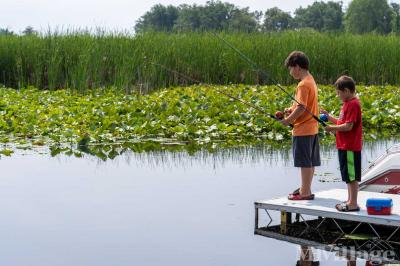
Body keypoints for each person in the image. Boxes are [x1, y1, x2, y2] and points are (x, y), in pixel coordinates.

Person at [281, 51, 321, 201]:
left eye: (290, 69)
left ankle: (304, 193)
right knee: (309, 161)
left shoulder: (303, 85)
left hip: (303, 129)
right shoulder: (311, 80)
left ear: (297, 67)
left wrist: (288, 120)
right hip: (312, 128)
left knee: (304, 163)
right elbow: (302, 105)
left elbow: (301, 107)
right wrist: (290, 110)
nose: (290, 72)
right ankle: (306, 189)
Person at [322, 75, 362, 212]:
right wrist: (328, 117)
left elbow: (349, 126)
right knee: (347, 175)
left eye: (339, 93)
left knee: (352, 175)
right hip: (344, 145)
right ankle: (350, 200)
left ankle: (353, 204)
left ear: (346, 90)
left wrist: (332, 129)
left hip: (350, 146)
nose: (338, 95)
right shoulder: (347, 104)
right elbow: (341, 123)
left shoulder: (353, 104)